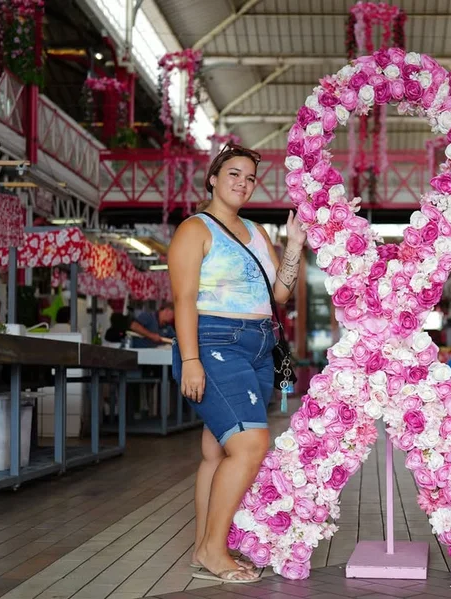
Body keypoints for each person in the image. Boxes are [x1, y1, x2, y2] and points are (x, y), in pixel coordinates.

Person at [167, 143, 306, 584]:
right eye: (233, 174)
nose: (242, 183)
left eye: (249, 178)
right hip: (213, 342)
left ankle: (200, 548)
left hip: (259, 348)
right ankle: (212, 549)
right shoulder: (194, 229)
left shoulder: (257, 231)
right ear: (212, 178)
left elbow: (278, 296)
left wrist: (295, 246)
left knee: (216, 452)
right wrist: (191, 360)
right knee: (249, 446)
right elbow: (183, 299)